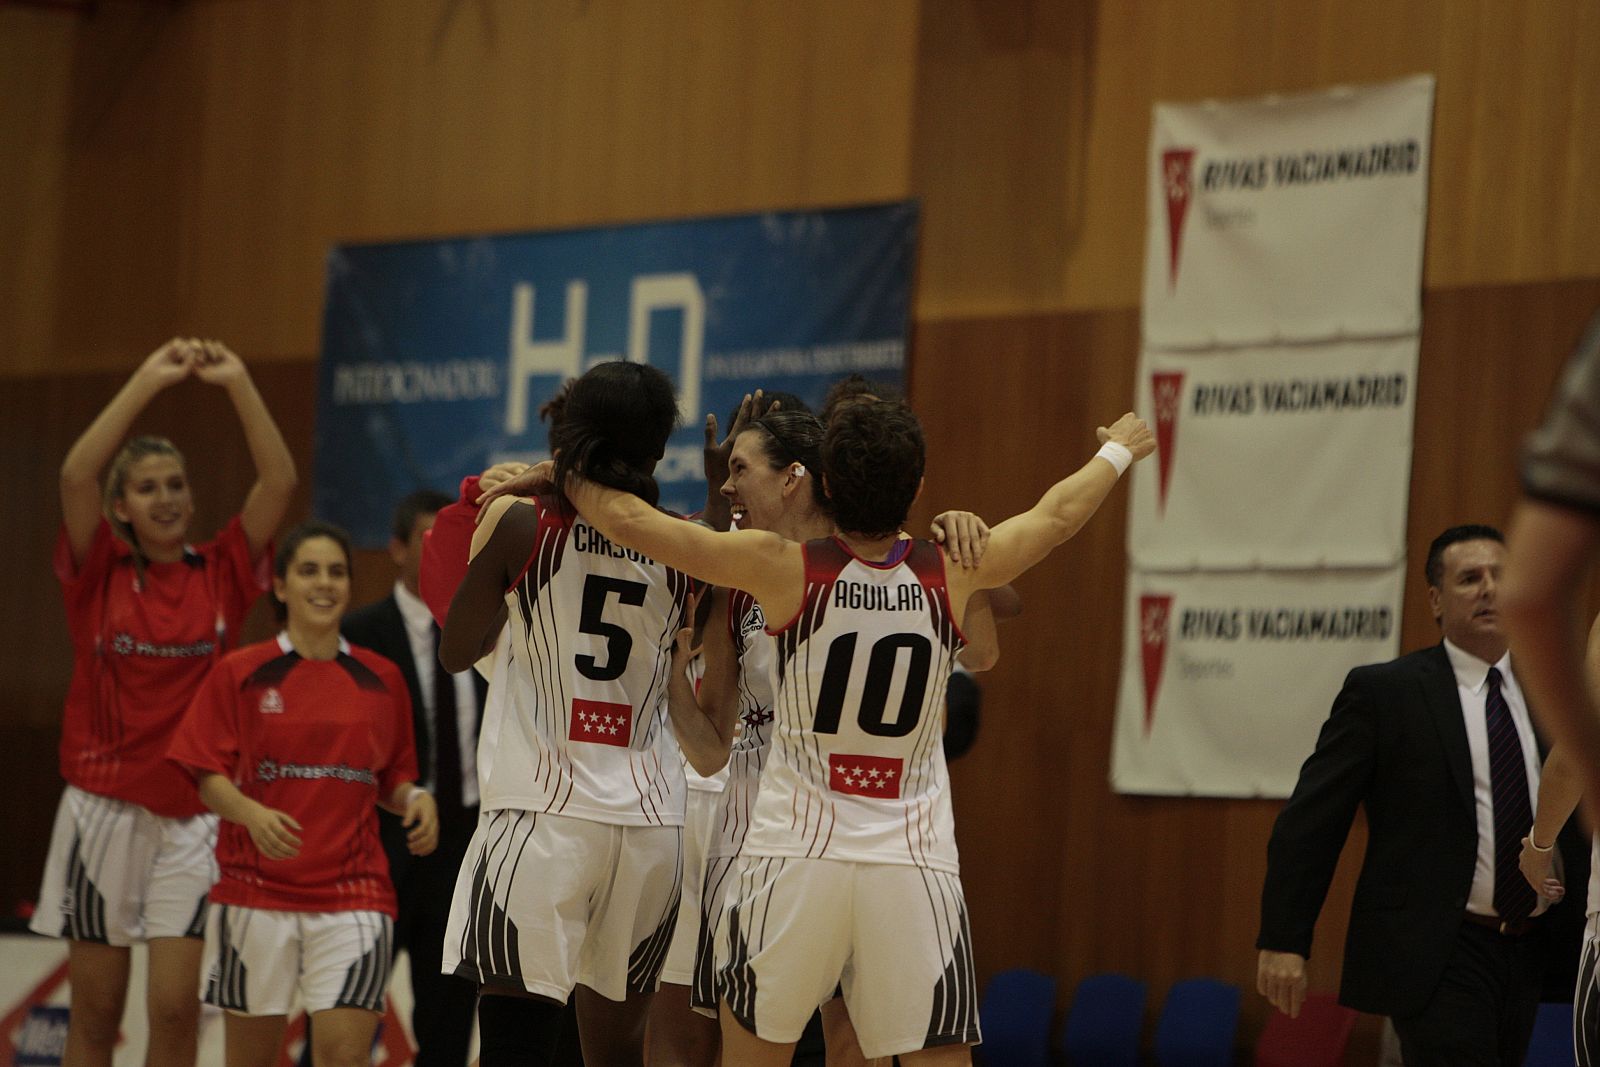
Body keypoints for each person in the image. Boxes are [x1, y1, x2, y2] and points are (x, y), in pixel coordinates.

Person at [531, 396, 1151, 1065]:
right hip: (911, 866)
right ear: (918, 487)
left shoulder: (784, 569)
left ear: (824, 483)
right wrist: (1118, 448)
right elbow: (1058, 515)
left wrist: (565, 471)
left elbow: (634, 523)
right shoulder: (952, 571)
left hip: (795, 857)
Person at [31, 338, 296, 1067]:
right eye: (148, 487)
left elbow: (278, 479)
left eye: (176, 483)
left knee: (177, 1008)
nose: (168, 497)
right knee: (96, 1014)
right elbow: (75, 471)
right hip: (102, 814)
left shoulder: (224, 569)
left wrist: (240, 381)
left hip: (197, 818)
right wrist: (147, 378)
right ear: (121, 506)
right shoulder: (99, 571)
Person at [436, 361, 694, 1067]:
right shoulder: (688, 548)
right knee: (617, 1055)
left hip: (542, 820)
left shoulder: (520, 523)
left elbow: (457, 651)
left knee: (515, 1053)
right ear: (660, 449)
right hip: (650, 828)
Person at [1257, 524, 1588, 1067]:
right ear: (1435, 599)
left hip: (1534, 946)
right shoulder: (1386, 693)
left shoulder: (1552, 689)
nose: (1488, 589)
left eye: (1500, 577)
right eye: (1469, 578)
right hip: (1438, 949)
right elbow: (1312, 822)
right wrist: (1283, 938)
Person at [167, 520, 437, 1067]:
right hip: (254, 894)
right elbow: (204, 773)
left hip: (355, 897)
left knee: (343, 1058)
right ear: (282, 586)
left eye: (337, 572)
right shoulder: (240, 672)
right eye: (308, 570)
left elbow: (391, 780)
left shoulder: (381, 678)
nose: (325, 583)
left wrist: (415, 800)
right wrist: (251, 815)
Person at [340, 489, 485, 1067]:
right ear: (397, 550)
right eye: (428, 540)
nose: (442, 552)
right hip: (378, 847)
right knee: (343, 1017)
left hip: (463, 847)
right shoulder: (358, 634)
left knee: (449, 1029)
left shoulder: (488, 629)